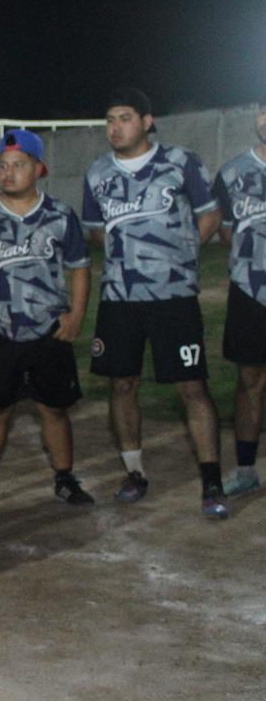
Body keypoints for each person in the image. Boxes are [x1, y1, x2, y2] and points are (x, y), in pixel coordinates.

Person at [81, 87, 228, 518]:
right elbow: (95, 230)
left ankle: (212, 480)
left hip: (174, 297)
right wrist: (132, 255)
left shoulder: (181, 163)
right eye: (109, 119)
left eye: (124, 118)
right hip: (120, 298)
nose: (115, 127)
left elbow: (210, 215)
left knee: (192, 386)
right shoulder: (97, 173)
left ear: (146, 121)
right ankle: (134, 471)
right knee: (122, 383)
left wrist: (180, 255)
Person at [0, 130, 93, 506]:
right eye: (3, 166)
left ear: (38, 169)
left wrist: (76, 314)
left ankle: (65, 478)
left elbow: (79, 267)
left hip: (49, 326)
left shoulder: (60, 215)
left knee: (54, 408)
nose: (8, 173)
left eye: (19, 165)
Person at [211, 99, 266, 496]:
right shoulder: (232, 173)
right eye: (265, 111)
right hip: (250, 290)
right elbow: (226, 233)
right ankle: (246, 469)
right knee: (250, 381)